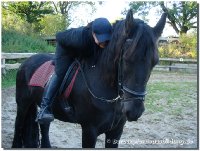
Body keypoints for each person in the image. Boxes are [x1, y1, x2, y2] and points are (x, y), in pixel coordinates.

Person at [36, 18, 112, 124]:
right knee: (60, 73)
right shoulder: (79, 37)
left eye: (106, 38)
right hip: (66, 49)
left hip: (83, 49)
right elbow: (59, 36)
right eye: (101, 38)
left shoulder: (102, 39)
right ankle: (45, 107)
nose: (104, 42)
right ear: (93, 33)